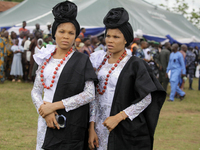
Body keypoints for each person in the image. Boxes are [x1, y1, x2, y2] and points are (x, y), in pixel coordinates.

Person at [88, 7, 166, 150]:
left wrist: (118, 117)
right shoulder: (100, 62)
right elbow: (94, 96)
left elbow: (146, 98)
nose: (110, 40)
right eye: (108, 36)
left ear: (126, 40)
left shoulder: (135, 64)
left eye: (116, 37)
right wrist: (91, 127)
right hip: (99, 125)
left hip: (122, 127)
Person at [31, 1, 97, 149]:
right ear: (54, 33)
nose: (66, 36)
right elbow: (36, 90)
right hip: (45, 119)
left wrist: (54, 106)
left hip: (70, 122)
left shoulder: (82, 60)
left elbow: (89, 94)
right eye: (62, 32)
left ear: (76, 36)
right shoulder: (45, 57)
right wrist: (44, 111)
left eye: (71, 33)